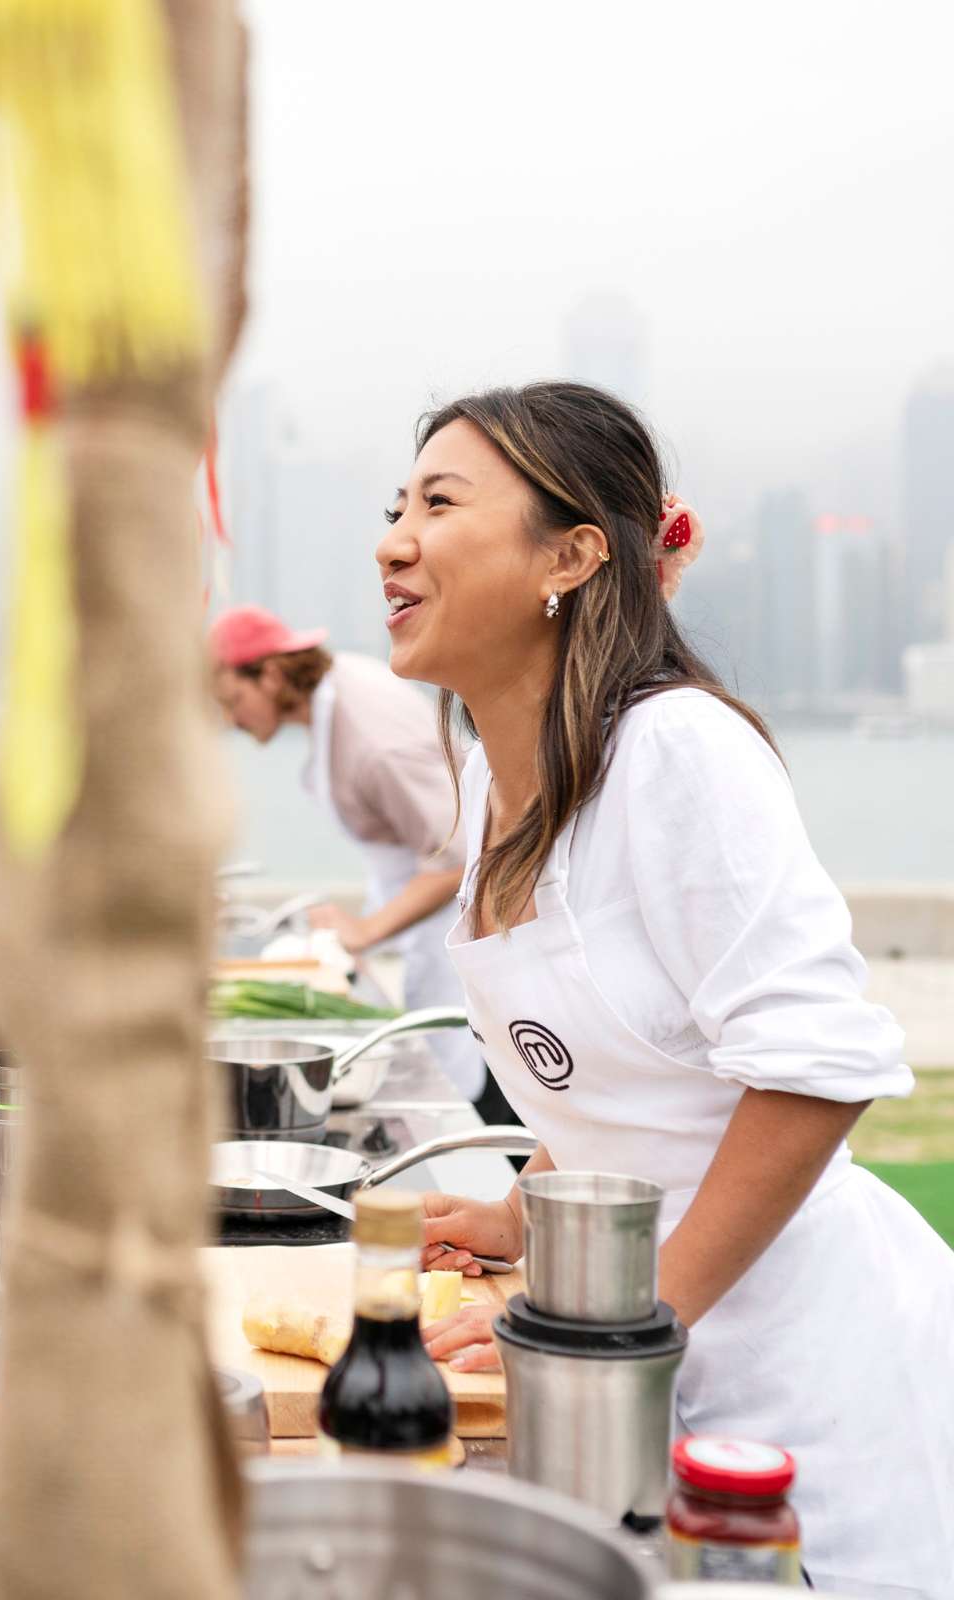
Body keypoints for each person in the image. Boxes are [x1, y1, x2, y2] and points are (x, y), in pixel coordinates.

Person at [386, 382, 954, 1597]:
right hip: (649, 1376)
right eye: (397, 508)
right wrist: (521, 1213)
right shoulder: (492, 789)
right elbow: (632, 1079)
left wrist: (628, 1328)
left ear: (572, 556)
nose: (395, 541)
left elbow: (816, 1068)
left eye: (439, 503)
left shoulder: (677, 751)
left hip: (806, 1384)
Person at [209, 605, 501, 1118]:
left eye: (234, 702)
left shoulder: (371, 738)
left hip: (456, 933)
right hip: (422, 929)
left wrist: (365, 931)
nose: (232, 721)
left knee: (473, 1088)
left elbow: (456, 857)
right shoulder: (335, 691)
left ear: (271, 675)